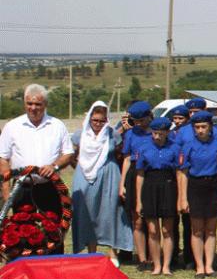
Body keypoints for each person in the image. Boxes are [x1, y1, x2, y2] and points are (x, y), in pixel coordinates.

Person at [69, 101, 132, 261]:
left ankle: (113, 252)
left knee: (110, 212)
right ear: (90, 119)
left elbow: (119, 154)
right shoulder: (79, 135)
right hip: (84, 176)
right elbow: (72, 155)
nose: (98, 124)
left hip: (108, 177)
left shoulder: (113, 135)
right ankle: (91, 252)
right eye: (95, 120)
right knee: (87, 212)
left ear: (106, 120)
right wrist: (81, 167)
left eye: (101, 121)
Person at [0, 85, 74, 220]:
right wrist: (6, 193)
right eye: (29, 103)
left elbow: (68, 153)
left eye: (38, 104)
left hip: (49, 187)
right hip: (21, 188)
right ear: (24, 103)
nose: (33, 108)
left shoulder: (57, 126)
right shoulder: (12, 127)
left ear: (45, 104)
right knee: (22, 235)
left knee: (52, 232)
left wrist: (54, 166)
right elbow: (3, 158)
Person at [179, 110, 217, 279]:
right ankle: (199, 267)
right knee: (197, 230)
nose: (200, 130)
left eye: (204, 126)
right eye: (197, 127)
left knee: (212, 229)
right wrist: (183, 198)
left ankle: (209, 266)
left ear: (210, 127)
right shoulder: (189, 145)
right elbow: (183, 173)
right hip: (195, 186)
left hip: (213, 186)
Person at [135, 117, 181, 276]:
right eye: (154, 133)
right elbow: (140, 174)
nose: (156, 137)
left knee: (167, 229)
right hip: (150, 185)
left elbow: (179, 173)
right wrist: (139, 200)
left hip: (168, 184)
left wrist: (181, 198)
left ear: (168, 133)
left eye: (160, 134)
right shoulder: (144, 147)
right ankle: (156, 264)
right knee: (152, 230)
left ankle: (166, 265)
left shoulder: (175, 147)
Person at [119, 100, 154, 270]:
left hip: (152, 173)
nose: (139, 124)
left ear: (149, 117)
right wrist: (122, 184)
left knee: (153, 219)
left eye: (141, 121)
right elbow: (126, 159)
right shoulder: (131, 134)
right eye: (136, 121)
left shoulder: (157, 133)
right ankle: (142, 259)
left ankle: (154, 255)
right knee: (137, 218)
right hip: (133, 173)